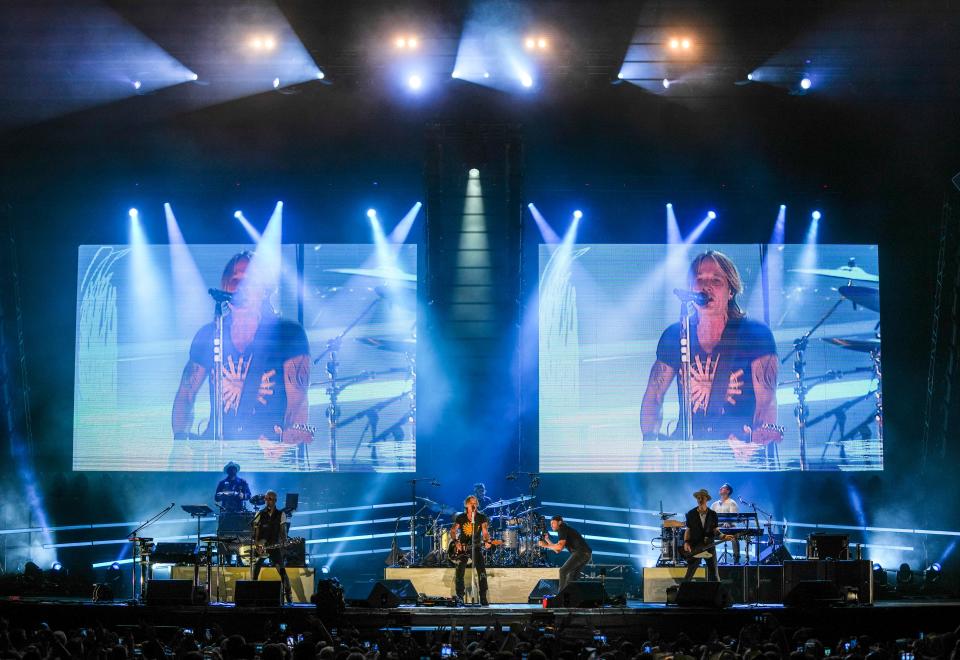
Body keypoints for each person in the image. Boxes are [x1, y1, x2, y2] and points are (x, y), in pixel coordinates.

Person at [640, 250, 782, 457]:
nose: (706, 287)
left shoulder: (755, 334)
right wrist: (650, 444)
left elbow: (766, 401)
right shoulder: (677, 334)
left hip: (738, 451)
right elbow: (654, 395)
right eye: (699, 280)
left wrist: (755, 443)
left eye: (716, 280)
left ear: (730, 291)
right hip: (687, 453)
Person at [171, 251, 312, 454]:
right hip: (216, 454)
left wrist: (285, 443)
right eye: (234, 280)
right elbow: (186, 394)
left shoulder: (288, 333)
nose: (239, 287)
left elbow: (297, 403)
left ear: (264, 289)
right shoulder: (210, 333)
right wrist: (180, 442)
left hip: (266, 454)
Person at [683, 489, 734, 582]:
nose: (700, 499)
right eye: (698, 498)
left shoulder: (713, 514)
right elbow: (688, 529)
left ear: (706, 499)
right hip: (696, 547)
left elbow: (715, 530)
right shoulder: (691, 514)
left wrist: (723, 536)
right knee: (689, 575)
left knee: (714, 575)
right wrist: (686, 542)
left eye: (702, 497)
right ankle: (683, 594)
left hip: (709, 546)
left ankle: (716, 595)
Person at [449, 495, 492, 605]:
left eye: (475, 503)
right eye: (471, 503)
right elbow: (453, 531)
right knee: (459, 570)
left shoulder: (481, 517)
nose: (474, 505)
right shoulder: (461, 517)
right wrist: (456, 541)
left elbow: (485, 532)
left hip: (476, 547)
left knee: (482, 570)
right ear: (466, 504)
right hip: (463, 548)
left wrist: (487, 541)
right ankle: (460, 597)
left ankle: (483, 597)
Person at [252, 490, 292, 604]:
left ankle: (289, 598)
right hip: (261, 547)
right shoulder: (259, 513)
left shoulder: (281, 514)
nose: (267, 500)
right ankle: (252, 594)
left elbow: (283, 532)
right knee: (255, 570)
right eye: (266, 498)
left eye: (270, 499)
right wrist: (257, 545)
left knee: (282, 572)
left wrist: (285, 542)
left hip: (274, 547)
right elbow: (255, 532)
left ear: (275, 501)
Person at [539, 515, 593, 592]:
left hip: (581, 553)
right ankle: (572, 598)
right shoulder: (564, 529)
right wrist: (547, 540)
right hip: (586, 554)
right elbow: (557, 550)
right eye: (550, 524)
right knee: (572, 576)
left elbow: (559, 547)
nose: (551, 525)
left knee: (563, 571)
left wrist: (545, 545)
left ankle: (560, 597)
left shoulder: (562, 529)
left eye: (553, 523)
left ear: (560, 522)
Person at [711, 483, 740, 564]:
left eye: (723, 488)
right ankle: (711, 559)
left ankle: (736, 559)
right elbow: (710, 518)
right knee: (707, 535)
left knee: (734, 537)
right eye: (720, 488)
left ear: (728, 491)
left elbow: (733, 517)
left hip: (729, 528)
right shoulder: (714, 504)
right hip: (717, 528)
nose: (720, 488)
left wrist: (728, 522)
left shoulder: (732, 502)